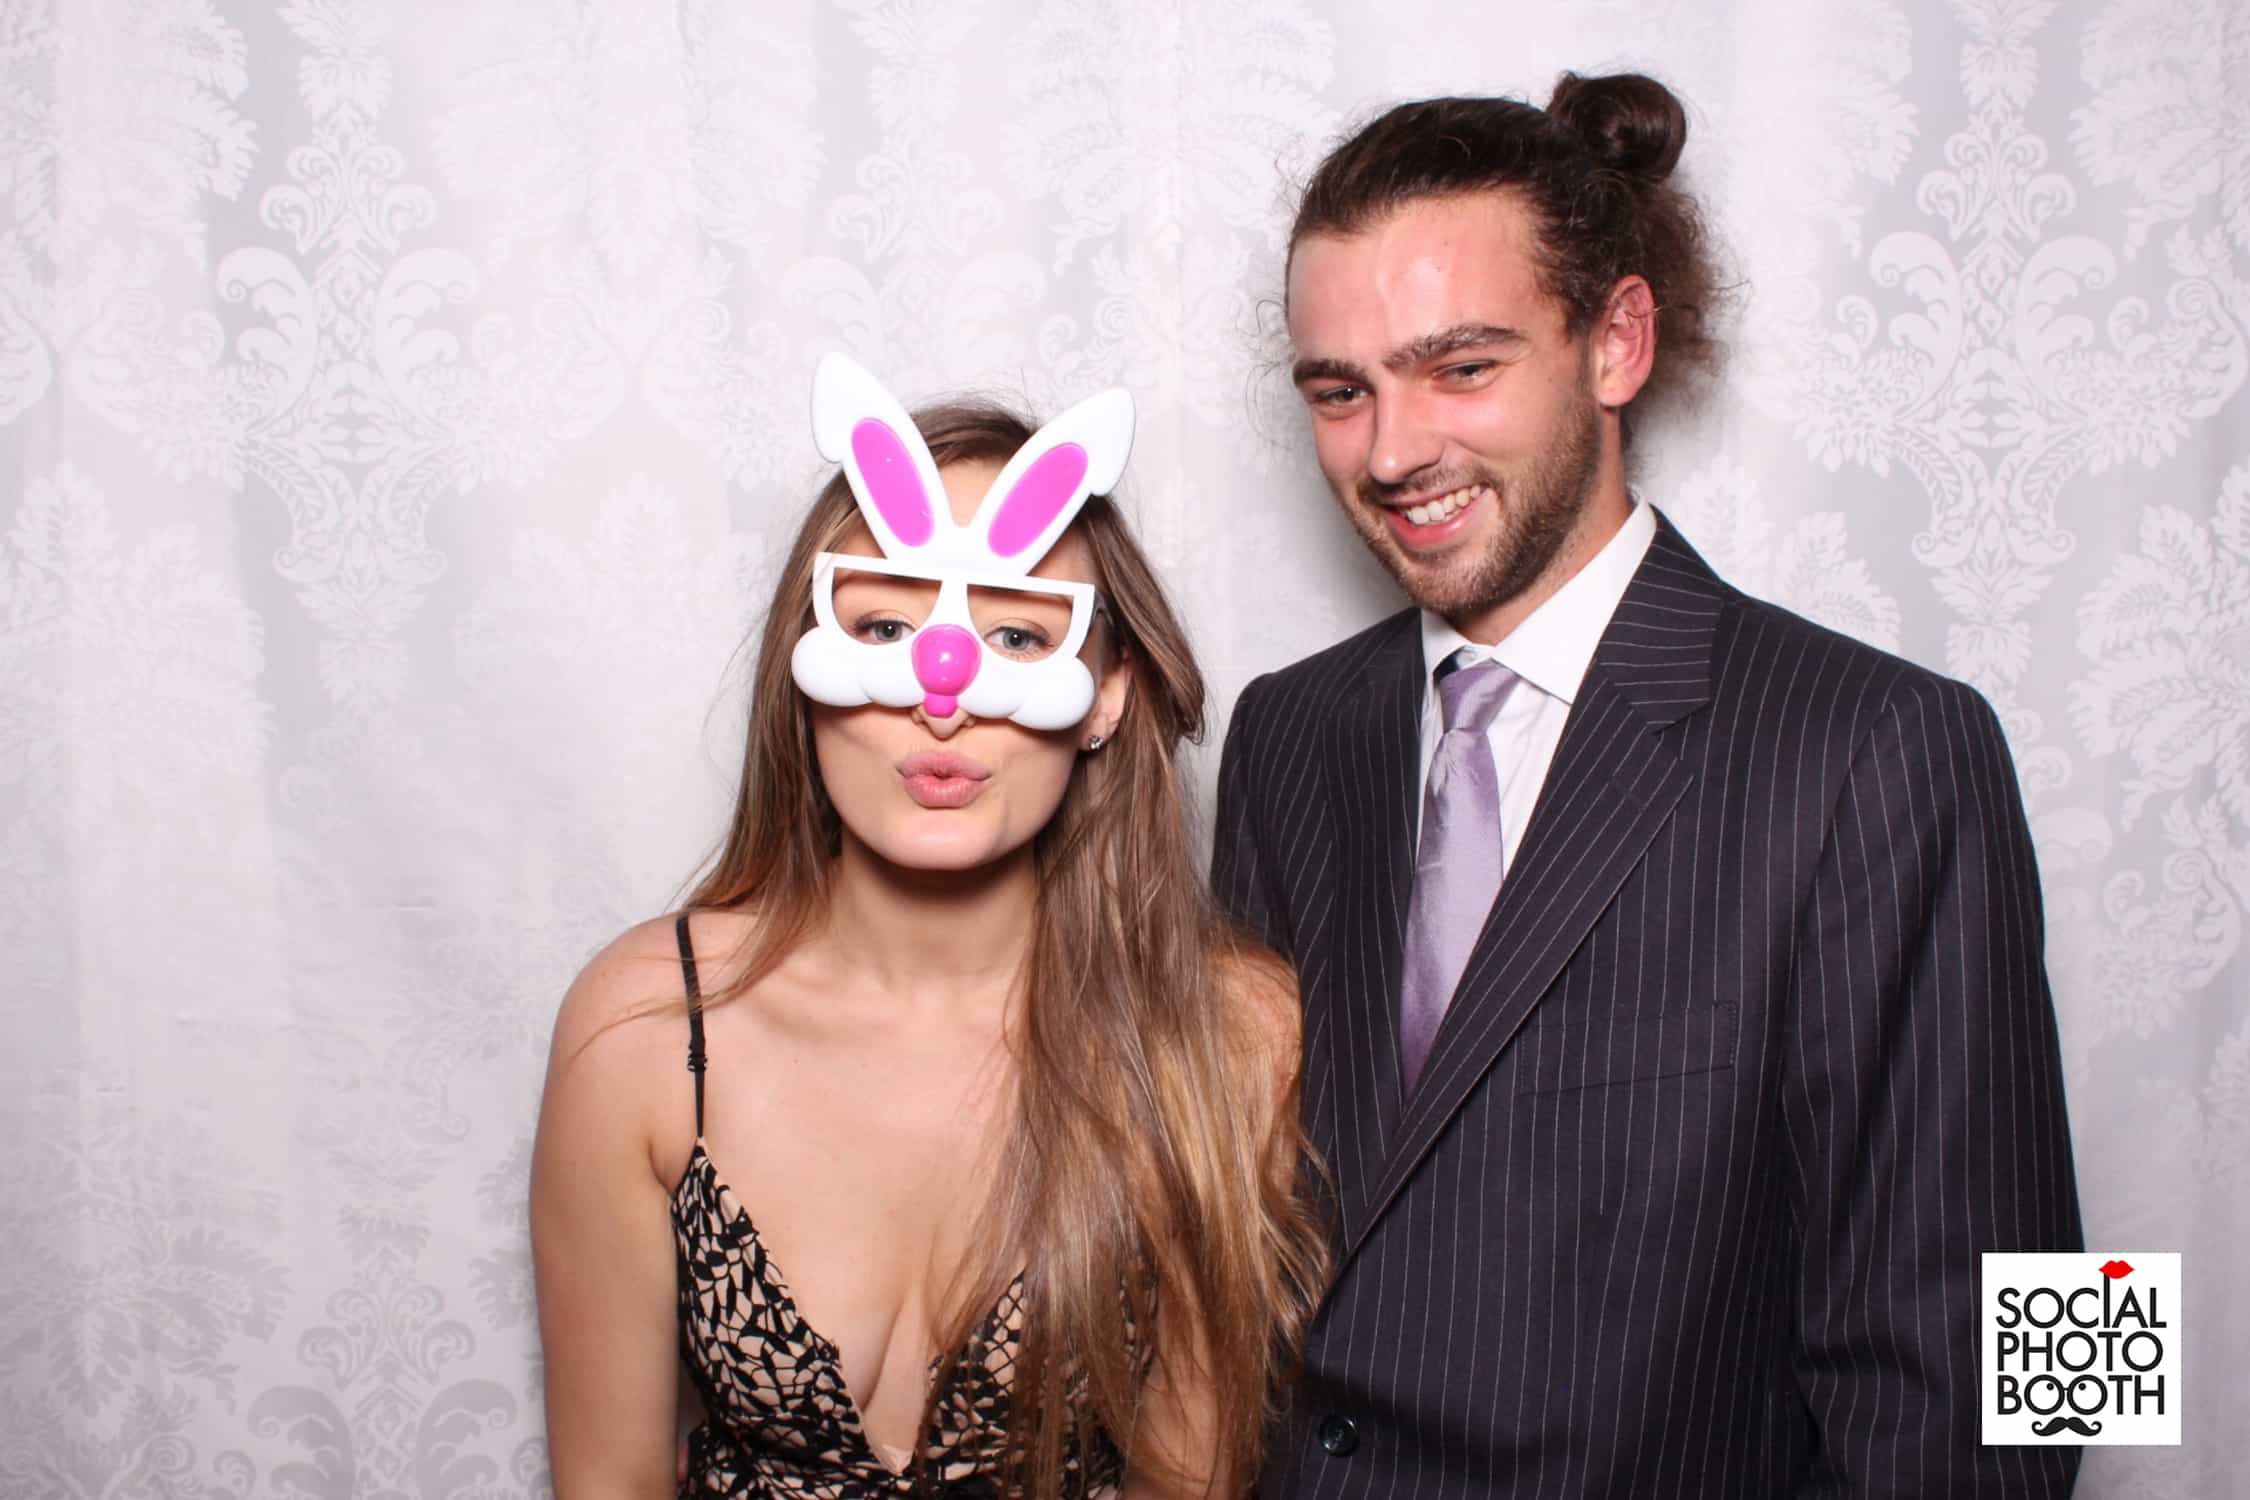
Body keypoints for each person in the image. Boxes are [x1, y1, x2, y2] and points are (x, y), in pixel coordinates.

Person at [1214, 72, 2083, 1497]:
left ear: (1616, 342)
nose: (1393, 450)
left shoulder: (1889, 742)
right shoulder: (1285, 734)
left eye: (1461, 368)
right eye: (1340, 392)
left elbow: (2029, 1357)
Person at [532, 358, 1329, 1499]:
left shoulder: (1225, 1036)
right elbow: (608, 1482)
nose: (938, 695)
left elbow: (1184, 1483)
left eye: (1018, 640)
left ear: (1106, 696)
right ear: (805, 668)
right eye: (885, 624)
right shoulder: (648, 1028)